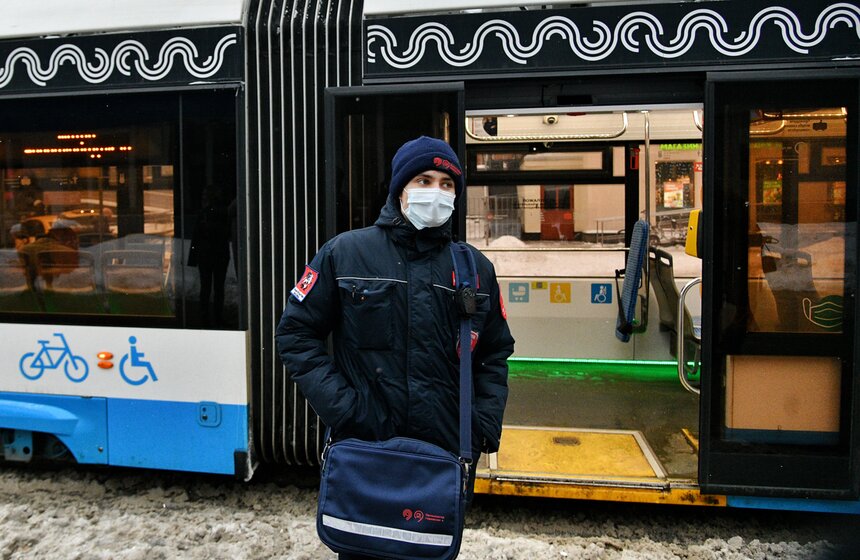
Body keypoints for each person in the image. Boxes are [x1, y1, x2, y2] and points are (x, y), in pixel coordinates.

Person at [275, 136, 514, 560]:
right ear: (400, 188)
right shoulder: (345, 253)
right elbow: (296, 334)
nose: (436, 192)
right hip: (367, 452)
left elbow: (494, 352)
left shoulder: (476, 268)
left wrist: (480, 426)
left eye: (446, 184)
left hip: (439, 461)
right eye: (424, 179)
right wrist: (344, 409)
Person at [188, 186, 231, 327]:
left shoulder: (204, 214)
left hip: (206, 256)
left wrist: (192, 258)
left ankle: (205, 317)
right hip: (219, 255)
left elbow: (196, 237)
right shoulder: (223, 212)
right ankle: (217, 317)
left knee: (205, 287)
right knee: (218, 288)